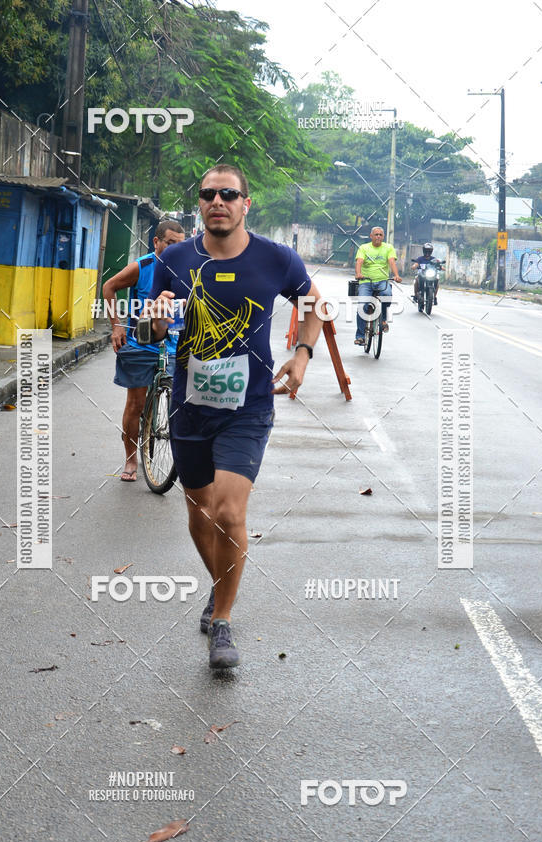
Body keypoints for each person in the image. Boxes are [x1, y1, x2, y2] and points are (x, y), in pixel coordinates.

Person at [149, 163, 323, 669]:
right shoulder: (175, 259)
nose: (217, 201)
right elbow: (153, 331)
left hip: (247, 408)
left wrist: (303, 354)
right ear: (199, 204)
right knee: (200, 513)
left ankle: (222, 620)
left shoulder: (275, 258)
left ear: (246, 203)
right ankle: (219, 585)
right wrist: (155, 322)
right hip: (189, 407)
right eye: (208, 194)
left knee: (228, 513)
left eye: (229, 194)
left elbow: (314, 305)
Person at [103, 219, 185, 481]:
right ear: (157, 242)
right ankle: (130, 460)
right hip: (141, 343)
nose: (174, 250)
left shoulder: (188, 268)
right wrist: (116, 326)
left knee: (184, 405)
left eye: (180, 246)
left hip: (174, 346)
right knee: (135, 404)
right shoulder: (144, 266)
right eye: (170, 244)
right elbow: (109, 287)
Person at [353, 226, 401, 345]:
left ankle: (383, 320)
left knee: (387, 295)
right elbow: (359, 261)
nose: (378, 236)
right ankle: (360, 336)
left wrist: (396, 275)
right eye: (376, 234)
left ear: (383, 237)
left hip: (382, 281)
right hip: (366, 282)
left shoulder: (388, 248)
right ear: (371, 236)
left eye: (380, 235)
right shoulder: (364, 248)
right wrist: (358, 273)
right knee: (362, 306)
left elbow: (391, 261)